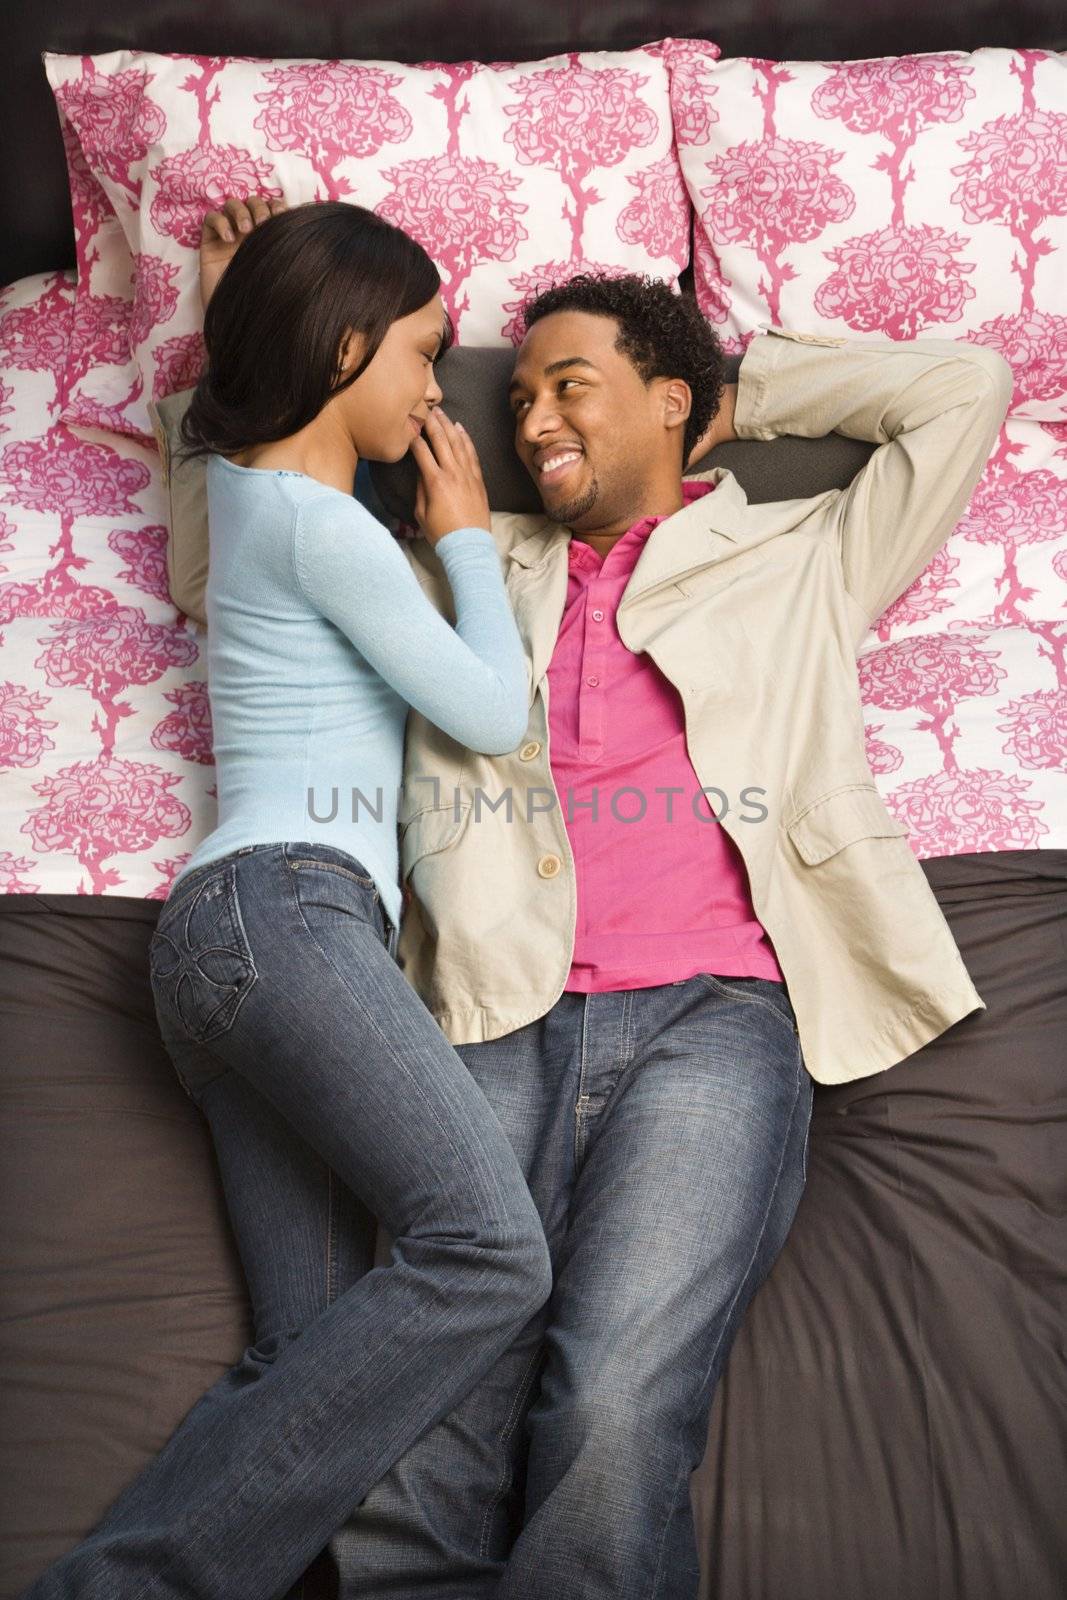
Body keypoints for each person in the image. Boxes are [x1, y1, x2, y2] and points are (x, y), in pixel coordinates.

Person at [169, 201, 1014, 1600]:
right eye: (518, 389)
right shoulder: (471, 555)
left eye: (573, 388)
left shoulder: (800, 555)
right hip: (486, 1005)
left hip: (715, 1019)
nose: (531, 415)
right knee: (425, 1418)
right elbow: (224, 561)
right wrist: (242, 331)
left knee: (615, 1403)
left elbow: (964, 390)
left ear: (676, 403)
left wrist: (735, 394)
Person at [19, 200, 554, 1600]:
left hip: (227, 953)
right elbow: (493, 711)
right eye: (431, 355)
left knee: (302, 1356)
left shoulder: (250, 495)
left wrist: (227, 305)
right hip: (288, 918)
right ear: (348, 344)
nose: (444, 391)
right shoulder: (325, 529)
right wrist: (465, 536)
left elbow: (222, 444)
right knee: (492, 1253)